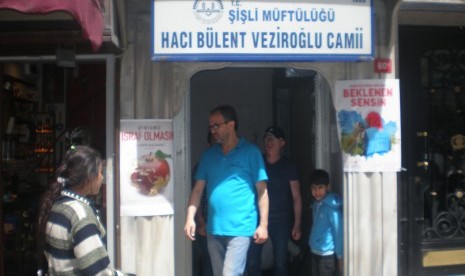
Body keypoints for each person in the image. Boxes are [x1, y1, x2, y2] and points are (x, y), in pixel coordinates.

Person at [184, 105, 269, 276]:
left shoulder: (251, 152)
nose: (212, 130)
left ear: (230, 125)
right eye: (210, 126)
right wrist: (190, 218)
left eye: (216, 125)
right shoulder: (209, 155)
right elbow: (198, 190)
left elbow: (262, 191)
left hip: (240, 228)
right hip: (214, 229)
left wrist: (263, 225)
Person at [37, 146, 126, 275]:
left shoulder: (58, 205)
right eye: (101, 172)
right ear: (90, 177)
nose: (102, 178)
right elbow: (98, 272)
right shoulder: (80, 215)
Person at [247, 126, 302, 276]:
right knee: (252, 262)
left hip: (281, 220)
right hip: (258, 219)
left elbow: (296, 196)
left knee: (280, 263)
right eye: (266, 139)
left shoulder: (289, 166)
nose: (268, 142)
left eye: (272, 138)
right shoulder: (259, 162)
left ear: (282, 142)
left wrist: (297, 224)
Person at [308, 169, 343, 276]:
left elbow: (339, 233)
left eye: (320, 188)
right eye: (313, 188)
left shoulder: (331, 208)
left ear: (327, 187)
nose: (316, 192)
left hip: (327, 255)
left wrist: (340, 256)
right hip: (314, 251)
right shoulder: (316, 205)